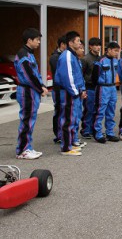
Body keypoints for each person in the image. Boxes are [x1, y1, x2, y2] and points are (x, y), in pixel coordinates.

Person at [14, 28, 49, 159]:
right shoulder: (23, 55)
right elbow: (28, 76)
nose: (39, 42)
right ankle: (23, 150)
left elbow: (35, 74)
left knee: (30, 120)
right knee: (27, 120)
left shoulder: (30, 54)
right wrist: (40, 89)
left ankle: (27, 147)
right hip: (27, 92)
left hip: (32, 91)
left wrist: (42, 85)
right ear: (29, 40)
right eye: (37, 40)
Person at [54, 30, 86, 156]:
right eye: (77, 41)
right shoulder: (67, 55)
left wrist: (81, 90)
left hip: (75, 92)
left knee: (73, 119)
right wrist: (75, 92)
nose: (79, 43)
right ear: (71, 42)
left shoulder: (74, 56)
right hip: (69, 93)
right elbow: (67, 77)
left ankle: (71, 143)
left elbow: (78, 76)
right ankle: (66, 148)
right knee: (67, 119)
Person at [91, 42, 121, 143]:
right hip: (103, 88)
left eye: (118, 51)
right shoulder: (100, 61)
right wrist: (99, 85)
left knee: (111, 111)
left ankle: (110, 132)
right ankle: (98, 133)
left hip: (112, 87)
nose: (117, 53)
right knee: (100, 110)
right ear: (108, 50)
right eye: (115, 51)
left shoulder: (116, 61)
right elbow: (94, 76)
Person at [80, 37, 102, 140]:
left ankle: (94, 129)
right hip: (89, 87)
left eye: (99, 45)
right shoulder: (85, 59)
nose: (98, 47)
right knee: (88, 109)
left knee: (97, 110)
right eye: (96, 45)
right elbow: (81, 75)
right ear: (90, 46)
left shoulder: (100, 58)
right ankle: (85, 130)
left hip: (99, 87)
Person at [49, 35, 67, 144]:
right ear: (62, 45)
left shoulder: (66, 55)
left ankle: (64, 134)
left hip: (65, 89)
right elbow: (60, 73)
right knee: (59, 111)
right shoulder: (55, 57)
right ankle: (58, 134)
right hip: (58, 89)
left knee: (66, 112)